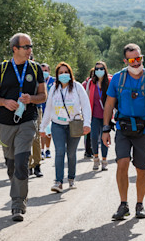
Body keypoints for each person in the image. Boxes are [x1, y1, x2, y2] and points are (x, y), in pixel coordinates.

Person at [101, 43, 145, 220]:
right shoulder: (118, 79)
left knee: (141, 168)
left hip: (143, 129)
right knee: (122, 163)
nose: (136, 63)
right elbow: (109, 104)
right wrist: (106, 129)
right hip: (123, 128)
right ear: (125, 60)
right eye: (132, 60)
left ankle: (140, 204)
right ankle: (123, 205)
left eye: (139, 58)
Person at [0, 33, 46, 222]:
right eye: (26, 47)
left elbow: (43, 96)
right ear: (15, 49)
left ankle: (18, 204)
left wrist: (32, 99)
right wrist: (4, 102)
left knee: (22, 162)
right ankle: (19, 193)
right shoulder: (1, 69)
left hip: (28, 121)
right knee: (11, 165)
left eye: (31, 46)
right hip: (5, 123)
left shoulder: (35, 68)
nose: (30, 50)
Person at [41, 62, 91, 192]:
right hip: (57, 125)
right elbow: (48, 109)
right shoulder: (53, 89)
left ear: (70, 73)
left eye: (66, 72)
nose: (63, 75)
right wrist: (42, 127)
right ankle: (58, 182)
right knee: (59, 152)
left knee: (71, 153)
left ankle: (71, 178)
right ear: (57, 75)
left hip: (74, 125)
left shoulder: (77, 87)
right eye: (61, 73)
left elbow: (86, 105)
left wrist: (87, 124)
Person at [85, 61, 111, 171]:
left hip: (106, 115)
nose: (99, 71)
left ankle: (104, 160)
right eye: (97, 69)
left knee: (104, 137)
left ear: (105, 70)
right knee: (94, 137)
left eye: (101, 69)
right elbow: (86, 98)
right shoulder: (91, 83)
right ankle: (96, 159)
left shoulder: (109, 81)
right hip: (94, 115)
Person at [39, 63, 55, 160]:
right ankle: (41, 150)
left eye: (46, 71)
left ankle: (48, 149)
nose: (44, 72)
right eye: (42, 71)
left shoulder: (54, 81)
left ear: (49, 71)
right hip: (40, 108)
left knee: (49, 131)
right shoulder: (38, 81)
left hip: (51, 110)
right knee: (41, 130)